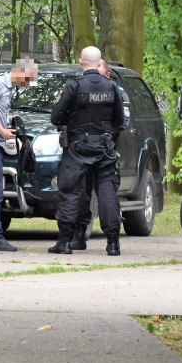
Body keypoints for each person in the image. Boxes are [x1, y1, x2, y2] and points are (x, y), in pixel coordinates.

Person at [49, 46, 125, 255]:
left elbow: (55, 117)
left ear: (81, 62)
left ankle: (65, 242)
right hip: (104, 147)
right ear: (99, 62)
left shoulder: (73, 86)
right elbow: (120, 120)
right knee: (107, 191)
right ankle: (112, 244)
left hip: (77, 147)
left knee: (70, 191)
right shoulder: (112, 87)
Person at [0, 59, 38, 252]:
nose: (27, 84)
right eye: (27, 79)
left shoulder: (9, 89)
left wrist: (7, 127)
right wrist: (1, 131)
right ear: (19, 71)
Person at [71, 58, 130, 250]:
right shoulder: (83, 88)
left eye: (99, 70)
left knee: (106, 195)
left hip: (104, 149)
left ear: (107, 74)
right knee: (83, 193)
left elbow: (123, 121)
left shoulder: (117, 92)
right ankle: (82, 234)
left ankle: (112, 239)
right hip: (96, 147)